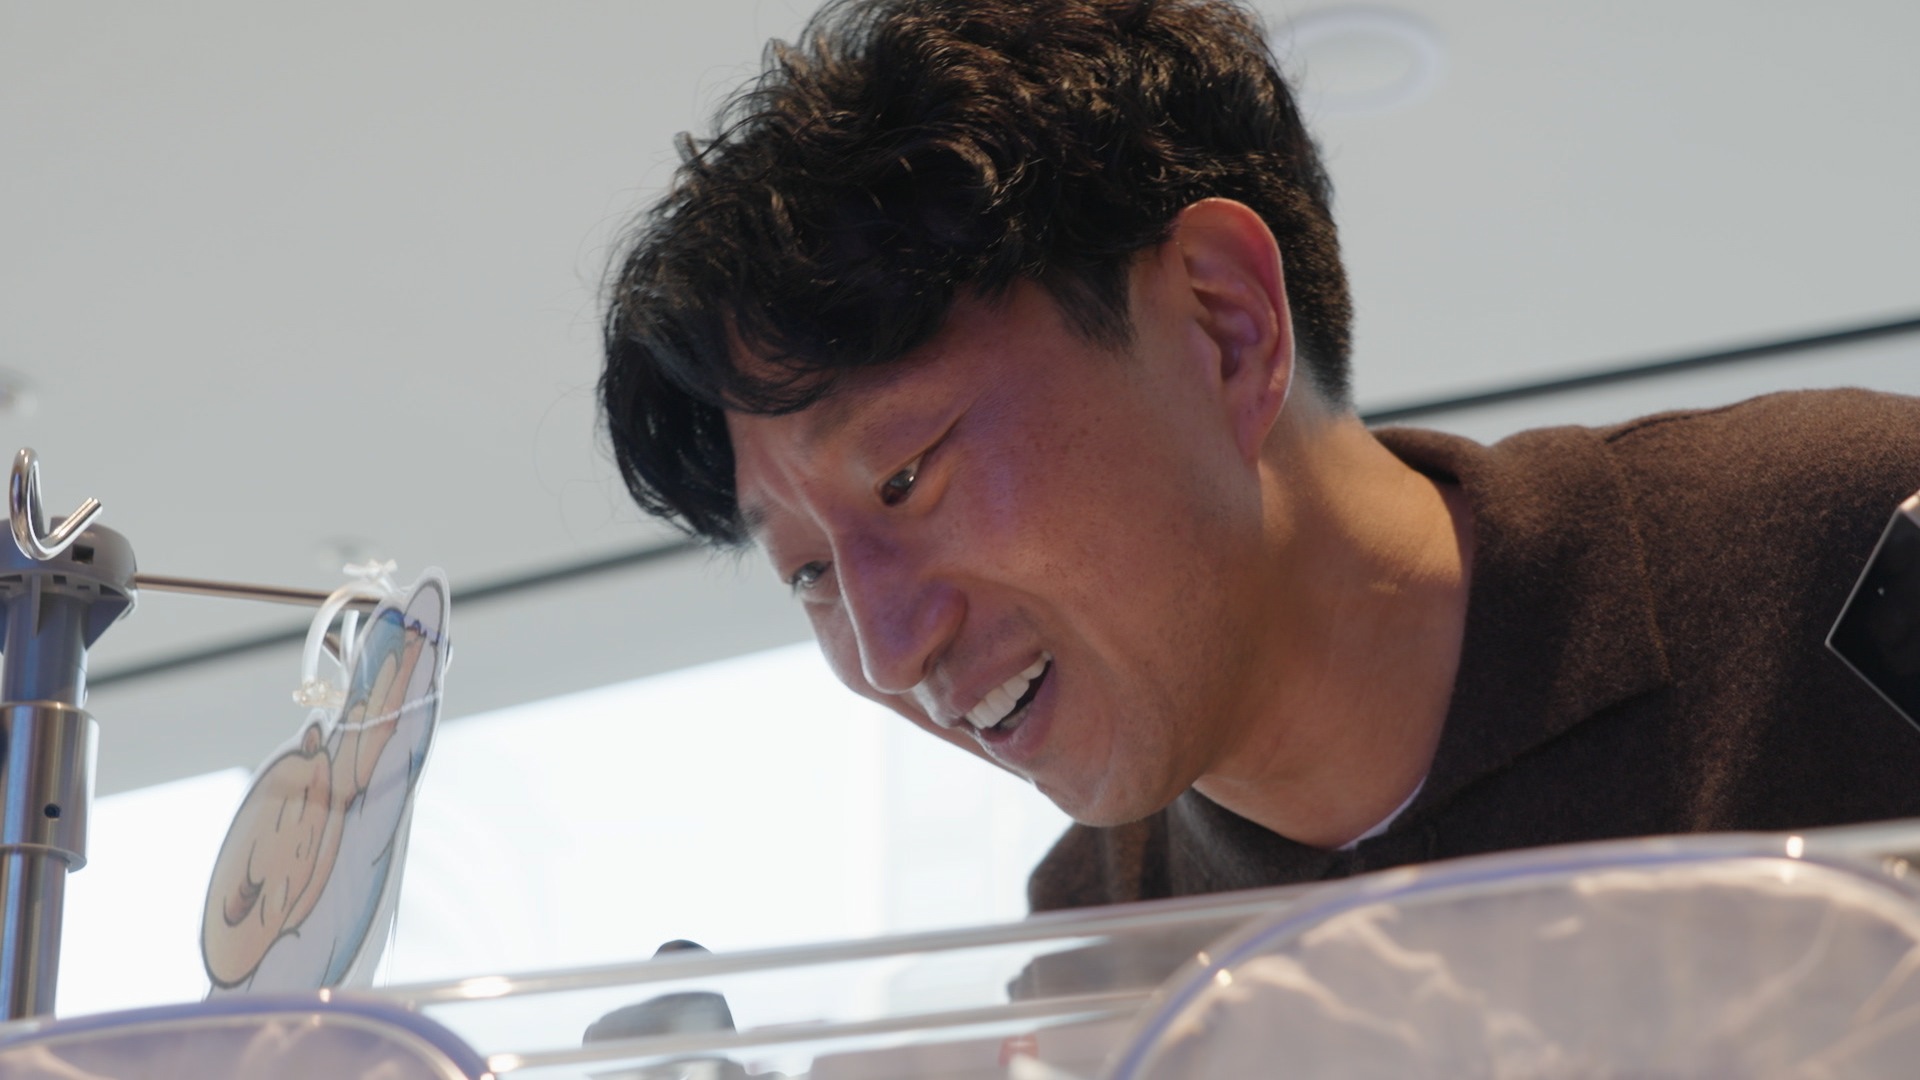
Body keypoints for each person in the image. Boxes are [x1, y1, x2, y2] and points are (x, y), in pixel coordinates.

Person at [596, 0, 1920, 909]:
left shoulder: (1850, 547)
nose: (890, 653)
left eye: (904, 476)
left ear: (1222, 327)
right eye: (811, 575)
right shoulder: (1101, 946)